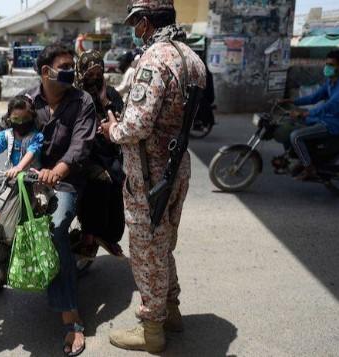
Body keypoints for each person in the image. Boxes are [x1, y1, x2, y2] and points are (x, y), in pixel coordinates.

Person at [0, 43, 96, 357]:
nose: (71, 70)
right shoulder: (27, 100)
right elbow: (1, 130)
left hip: (62, 182)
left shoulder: (82, 101)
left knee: (52, 234)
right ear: (45, 71)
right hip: (24, 178)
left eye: (72, 65)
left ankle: (71, 320)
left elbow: (80, 145)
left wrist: (58, 170)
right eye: (65, 65)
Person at [100, 0, 206, 352]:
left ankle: (152, 329)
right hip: (177, 169)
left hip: (149, 175)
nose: (135, 30)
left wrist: (113, 129)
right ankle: (171, 310)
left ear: (146, 22)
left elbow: (137, 125)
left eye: (136, 23)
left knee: (146, 252)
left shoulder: (155, 58)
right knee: (163, 246)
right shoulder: (192, 59)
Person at [74, 50, 125, 257]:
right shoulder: (74, 95)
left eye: (98, 73)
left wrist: (106, 105)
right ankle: (90, 233)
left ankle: (108, 236)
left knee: (119, 178)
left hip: (108, 151)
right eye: (90, 73)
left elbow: (123, 124)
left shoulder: (110, 94)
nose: (94, 78)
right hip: (82, 152)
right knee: (100, 181)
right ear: (81, 71)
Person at [281, 50, 339, 180]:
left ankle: (309, 168)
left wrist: (306, 113)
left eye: (331, 65)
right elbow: (314, 97)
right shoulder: (330, 81)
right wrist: (291, 101)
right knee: (292, 124)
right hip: (328, 119)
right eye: (327, 64)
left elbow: (330, 106)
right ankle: (304, 157)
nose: (327, 67)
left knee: (295, 136)